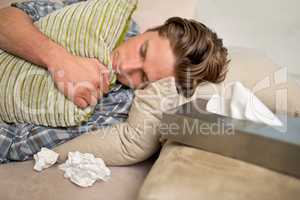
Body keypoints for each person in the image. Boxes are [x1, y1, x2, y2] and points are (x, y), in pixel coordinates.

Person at [0, 0, 229, 163]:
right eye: (142, 50)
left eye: (145, 77)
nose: (126, 68)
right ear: (150, 30)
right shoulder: (106, 19)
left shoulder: (120, 108)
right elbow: (5, 18)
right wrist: (58, 59)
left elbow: (21, 143)